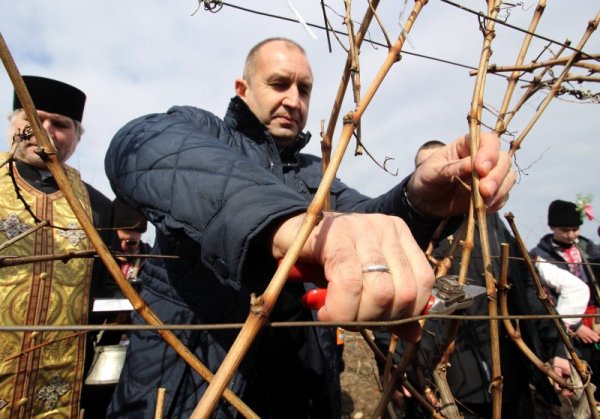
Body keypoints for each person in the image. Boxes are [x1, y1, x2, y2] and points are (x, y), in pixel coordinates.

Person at [104, 37, 515, 418]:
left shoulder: (314, 175)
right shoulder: (203, 133)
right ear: (243, 89)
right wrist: (283, 222)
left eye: (304, 89)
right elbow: (139, 144)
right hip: (192, 392)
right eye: (279, 83)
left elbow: (365, 221)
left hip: (304, 395)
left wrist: (419, 200)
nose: (292, 99)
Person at [373, 141, 569, 419]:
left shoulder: (492, 226)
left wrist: (557, 348)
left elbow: (531, 293)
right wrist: (393, 366)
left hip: (510, 379)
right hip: (449, 391)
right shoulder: (409, 236)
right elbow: (390, 308)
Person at [0, 76, 116, 418]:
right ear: (14, 123)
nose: (45, 128)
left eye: (60, 124)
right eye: (34, 118)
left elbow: (103, 285)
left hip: (58, 381)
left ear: (76, 137)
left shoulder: (97, 206)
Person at [531, 199, 600, 396]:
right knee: (581, 375)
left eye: (575, 229)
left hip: (593, 317)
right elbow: (544, 297)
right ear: (552, 227)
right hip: (567, 324)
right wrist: (576, 326)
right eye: (565, 230)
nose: (571, 235)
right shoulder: (540, 256)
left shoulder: (588, 250)